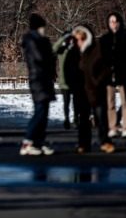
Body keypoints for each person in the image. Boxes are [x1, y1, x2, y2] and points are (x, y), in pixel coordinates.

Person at [72, 25, 115, 153]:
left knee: (101, 117)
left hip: (96, 88)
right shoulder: (74, 52)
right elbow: (70, 70)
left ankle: (105, 142)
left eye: (81, 39)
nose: (79, 42)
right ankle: (83, 144)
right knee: (83, 119)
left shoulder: (97, 49)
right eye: (76, 39)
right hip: (81, 90)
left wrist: (98, 81)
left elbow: (105, 67)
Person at [20, 14, 56, 156]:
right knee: (40, 111)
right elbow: (40, 58)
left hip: (43, 79)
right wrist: (49, 51)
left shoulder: (39, 40)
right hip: (38, 79)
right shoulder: (33, 40)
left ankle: (38, 141)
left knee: (44, 111)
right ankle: (28, 140)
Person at [99, 12, 126, 138]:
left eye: (116, 21)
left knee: (125, 101)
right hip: (108, 75)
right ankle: (113, 126)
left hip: (123, 73)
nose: (114, 24)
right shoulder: (104, 39)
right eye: (111, 21)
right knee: (110, 102)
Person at [53, 31, 77, 130]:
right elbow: (53, 49)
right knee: (66, 102)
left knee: (76, 102)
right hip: (64, 80)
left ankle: (76, 119)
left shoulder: (76, 49)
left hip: (75, 80)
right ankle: (66, 119)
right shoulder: (61, 50)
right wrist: (63, 39)